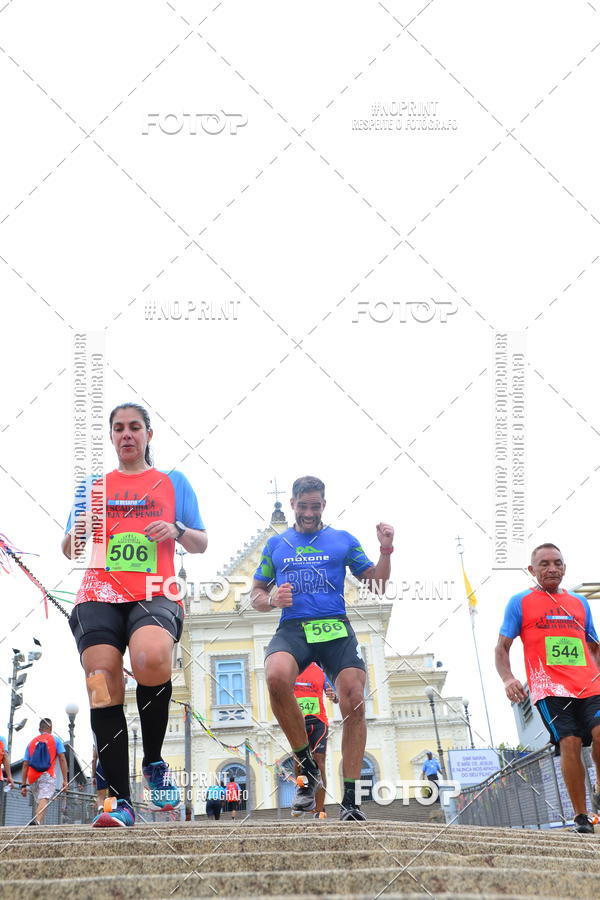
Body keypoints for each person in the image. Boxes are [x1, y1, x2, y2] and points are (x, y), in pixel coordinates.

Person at [62, 402, 207, 828]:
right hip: (99, 592)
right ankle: (119, 802)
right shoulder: (92, 485)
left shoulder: (172, 482)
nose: (127, 434)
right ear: (111, 437)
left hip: (154, 590)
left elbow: (200, 542)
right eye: (119, 428)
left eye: (135, 427)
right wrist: (81, 532)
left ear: (148, 434)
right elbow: (71, 549)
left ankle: (155, 760)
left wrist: (176, 530)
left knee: (151, 657)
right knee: (101, 681)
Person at [251, 475, 394, 820]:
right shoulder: (277, 545)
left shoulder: (342, 540)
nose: (309, 513)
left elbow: (376, 584)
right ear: (293, 505)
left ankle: (351, 800)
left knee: (354, 700)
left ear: (324, 505)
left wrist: (386, 550)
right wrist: (271, 598)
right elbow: (255, 594)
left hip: (334, 628)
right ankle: (306, 766)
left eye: (316, 506)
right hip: (294, 628)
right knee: (275, 676)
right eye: (303, 507)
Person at [496, 543, 600, 834]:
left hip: (589, 683)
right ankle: (582, 816)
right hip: (549, 687)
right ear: (532, 570)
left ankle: (599, 785)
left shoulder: (580, 602)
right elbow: (502, 648)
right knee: (569, 742)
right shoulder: (520, 602)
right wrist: (508, 678)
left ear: (565, 567)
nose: (552, 568)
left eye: (557, 563)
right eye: (544, 564)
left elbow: (593, 645)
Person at [292, 662, 338, 818]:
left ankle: (319, 810)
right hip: (298, 722)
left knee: (320, 762)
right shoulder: (292, 669)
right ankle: (302, 797)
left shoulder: (321, 670)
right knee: (298, 762)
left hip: (319, 721)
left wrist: (334, 695)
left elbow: (335, 695)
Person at [20, 718, 68, 825]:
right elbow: (62, 759)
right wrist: (65, 780)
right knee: (44, 798)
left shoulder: (31, 743)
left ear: (39, 729)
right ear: (51, 728)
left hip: (32, 777)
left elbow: (25, 764)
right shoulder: (55, 740)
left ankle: (37, 822)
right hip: (47, 774)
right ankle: (36, 821)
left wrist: (23, 785)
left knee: (41, 801)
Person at [91, 745, 108, 811]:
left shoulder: (97, 741)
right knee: (112, 794)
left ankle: (101, 807)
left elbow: (94, 759)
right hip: (114, 767)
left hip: (102, 767)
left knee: (100, 796)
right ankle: (111, 811)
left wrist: (94, 776)